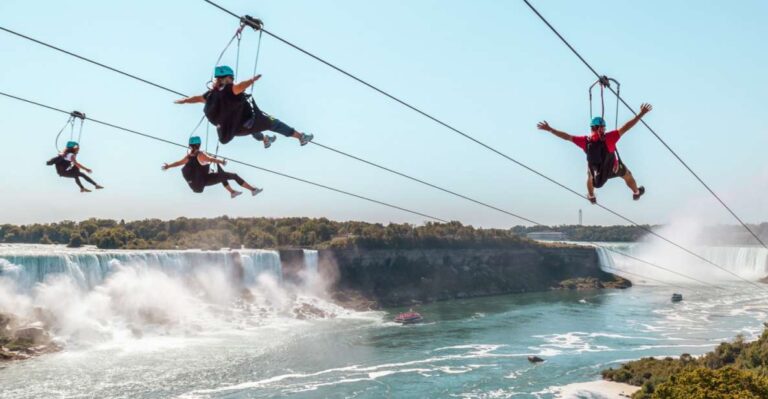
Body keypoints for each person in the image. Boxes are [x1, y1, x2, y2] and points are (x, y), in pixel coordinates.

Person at [537, 103, 653, 204]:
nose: (604, 129)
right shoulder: (610, 137)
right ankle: (636, 192)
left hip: (598, 174)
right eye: (603, 127)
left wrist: (550, 129)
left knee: (589, 174)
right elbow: (627, 126)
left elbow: (566, 137)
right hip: (614, 168)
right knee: (627, 174)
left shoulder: (584, 141)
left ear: (592, 128)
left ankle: (591, 196)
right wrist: (641, 113)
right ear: (601, 128)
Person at [174, 65, 313, 148]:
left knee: (253, 126)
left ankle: (265, 140)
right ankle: (301, 137)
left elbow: (197, 98)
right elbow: (239, 87)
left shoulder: (210, 95)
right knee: (273, 123)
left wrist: (185, 100)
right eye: (231, 78)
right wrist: (251, 81)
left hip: (235, 130)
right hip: (247, 123)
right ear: (224, 78)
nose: (232, 80)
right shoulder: (230, 89)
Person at [161, 136, 263, 198]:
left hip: (199, 182)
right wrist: (221, 161)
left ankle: (232, 192)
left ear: (190, 145)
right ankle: (253, 191)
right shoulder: (201, 154)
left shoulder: (188, 156)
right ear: (199, 144)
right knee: (234, 175)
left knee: (221, 175)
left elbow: (179, 163)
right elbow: (210, 159)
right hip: (203, 180)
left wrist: (168, 166)